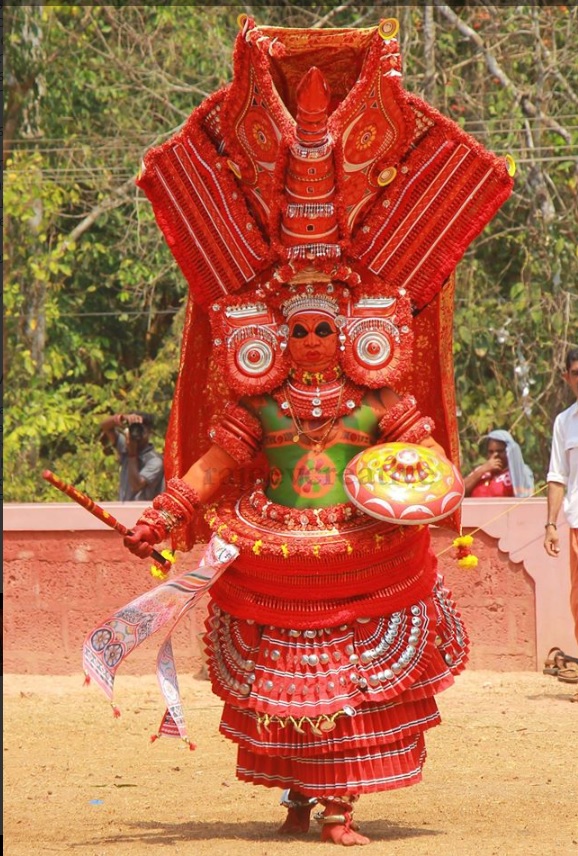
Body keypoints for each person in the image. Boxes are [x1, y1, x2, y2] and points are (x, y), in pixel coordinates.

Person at [85, 16, 514, 847]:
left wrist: (438, 491)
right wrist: (168, 513)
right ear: (273, 336)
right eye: (298, 331)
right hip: (278, 548)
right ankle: (292, 795)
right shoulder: (263, 409)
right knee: (276, 680)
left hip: (358, 550)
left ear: (352, 331)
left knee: (353, 685)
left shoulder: (371, 403)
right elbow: (215, 465)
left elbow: (425, 462)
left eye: (324, 330)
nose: (312, 343)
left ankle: (343, 806)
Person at [544, 347, 578, 702]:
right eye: (577, 372)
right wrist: (550, 525)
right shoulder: (564, 422)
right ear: (567, 378)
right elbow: (557, 476)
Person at [99, 411, 165, 502]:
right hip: (123, 509)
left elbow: (136, 485)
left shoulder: (155, 461)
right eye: (134, 429)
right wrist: (122, 418)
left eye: (140, 430)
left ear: (149, 431)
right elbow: (105, 426)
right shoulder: (126, 446)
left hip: (142, 512)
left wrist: (132, 454)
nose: (137, 434)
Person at [464, 430, 534, 498]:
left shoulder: (519, 471)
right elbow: (460, 492)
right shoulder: (480, 471)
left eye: (500, 451)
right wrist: (482, 470)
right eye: (491, 452)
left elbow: (525, 498)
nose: (495, 455)